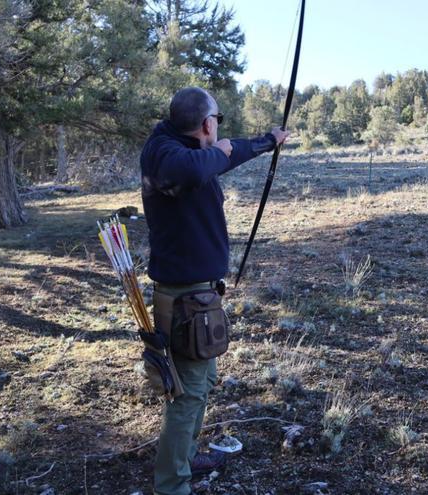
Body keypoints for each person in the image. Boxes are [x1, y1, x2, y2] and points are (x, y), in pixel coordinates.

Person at [140, 86, 288, 495]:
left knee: (200, 381)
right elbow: (196, 167)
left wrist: (266, 142)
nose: (218, 130)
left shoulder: (185, 149)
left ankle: (184, 459)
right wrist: (221, 152)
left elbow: (222, 155)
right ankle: (173, 485)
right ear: (207, 124)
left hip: (198, 293)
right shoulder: (166, 154)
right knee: (185, 393)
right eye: (216, 121)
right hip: (185, 296)